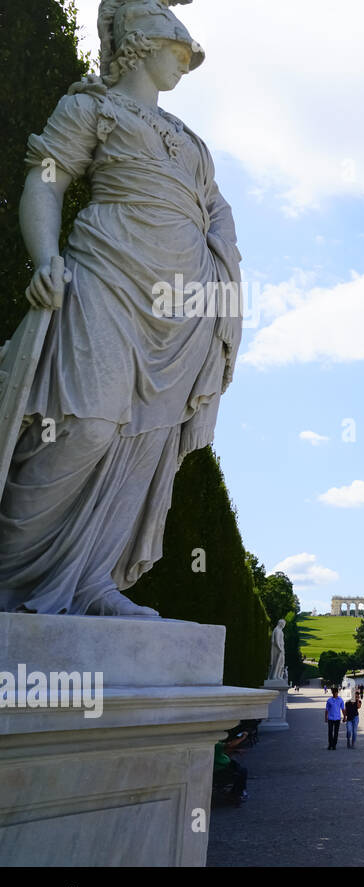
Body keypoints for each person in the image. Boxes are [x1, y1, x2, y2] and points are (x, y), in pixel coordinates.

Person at [0, 0, 240, 616]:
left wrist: (218, 292)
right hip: (106, 276)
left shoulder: (192, 142)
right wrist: (45, 256)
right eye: (177, 51)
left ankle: (92, 583)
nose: (185, 64)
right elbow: (47, 180)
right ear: (139, 46)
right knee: (88, 422)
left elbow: (217, 213)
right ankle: (11, 570)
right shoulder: (91, 107)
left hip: (184, 307)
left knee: (145, 441)